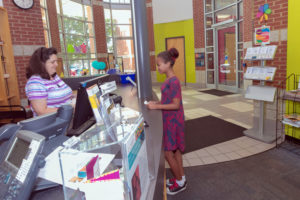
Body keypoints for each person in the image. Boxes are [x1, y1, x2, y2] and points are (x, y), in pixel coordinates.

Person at [147, 48, 186, 195]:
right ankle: (181, 178)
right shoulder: (169, 79)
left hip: (173, 121)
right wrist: (156, 104)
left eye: (159, 64)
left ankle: (180, 182)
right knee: (175, 151)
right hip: (170, 119)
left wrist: (157, 106)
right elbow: (167, 100)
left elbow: (176, 105)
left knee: (168, 153)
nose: (158, 68)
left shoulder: (174, 81)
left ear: (168, 64)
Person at [25, 47, 72, 116]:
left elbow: (65, 94)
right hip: (54, 123)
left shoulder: (54, 77)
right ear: (41, 64)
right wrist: (71, 108)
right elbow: (42, 112)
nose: (57, 64)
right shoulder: (35, 83)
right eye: (53, 62)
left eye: (56, 61)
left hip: (67, 118)